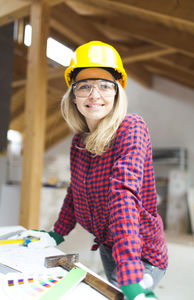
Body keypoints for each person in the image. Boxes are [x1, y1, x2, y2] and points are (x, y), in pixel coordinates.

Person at [20, 41, 168, 300]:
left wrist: (131, 277)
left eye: (105, 85)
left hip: (140, 252)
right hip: (109, 247)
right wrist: (57, 233)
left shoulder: (131, 127)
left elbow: (123, 197)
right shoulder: (79, 141)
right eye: (85, 86)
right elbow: (75, 191)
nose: (94, 94)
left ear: (117, 92)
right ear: (73, 95)